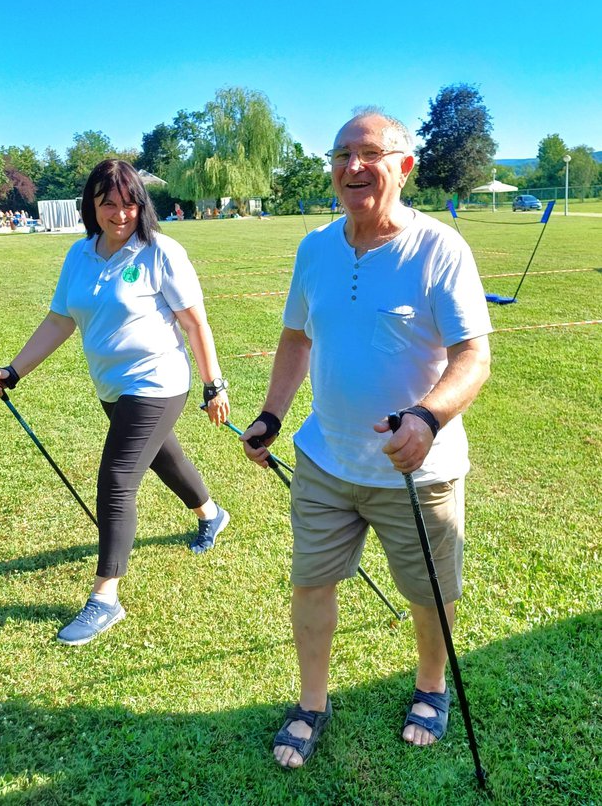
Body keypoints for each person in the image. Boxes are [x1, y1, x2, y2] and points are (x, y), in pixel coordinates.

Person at [242, 108, 491, 768]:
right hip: (327, 458)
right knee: (311, 584)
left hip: (417, 468)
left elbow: (473, 355)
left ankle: (431, 688)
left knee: (428, 592)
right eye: (341, 154)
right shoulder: (316, 248)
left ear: (403, 167)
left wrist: (428, 417)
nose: (353, 165)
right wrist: (271, 414)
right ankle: (312, 703)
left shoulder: (440, 249)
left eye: (370, 153)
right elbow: (297, 337)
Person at [0, 159, 231, 646]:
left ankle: (105, 598)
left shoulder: (161, 251)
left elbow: (195, 323)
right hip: (112, 386)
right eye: (109, 203)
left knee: (117, 479)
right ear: (91, 206)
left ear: (143, 204)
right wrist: (13, 371)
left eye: (130, 203)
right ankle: (210, 514)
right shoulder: (79, 255)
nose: (121, 214)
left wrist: (213, 383)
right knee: (163, 456)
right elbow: (59, 321)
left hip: (158, 380)